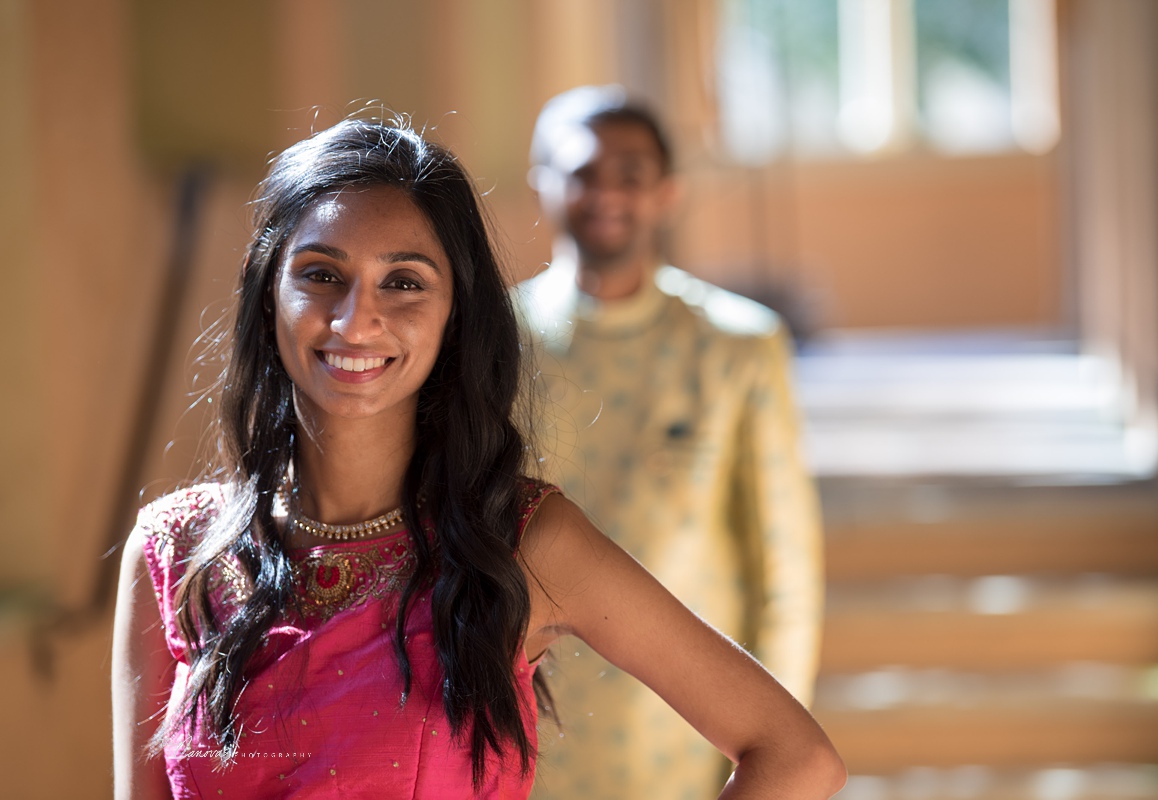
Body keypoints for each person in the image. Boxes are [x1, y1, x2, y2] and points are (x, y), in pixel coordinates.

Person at [110, 115, 845, 799]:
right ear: (267, 287)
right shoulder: (176, 552)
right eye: (321, 273)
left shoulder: (522, 541)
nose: (354, 318)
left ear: (457, 314)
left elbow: (794, 753)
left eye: (403, 282)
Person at [515, 86, 826, 799]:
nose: (607, 194)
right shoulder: (493, 344)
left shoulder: (736, 347)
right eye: (583, 172)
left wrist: (769, 746)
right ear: (542, 186)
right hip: (527, 729)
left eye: (631, 174)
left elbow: (785, 570)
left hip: (685, 740)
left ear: (669, 192)